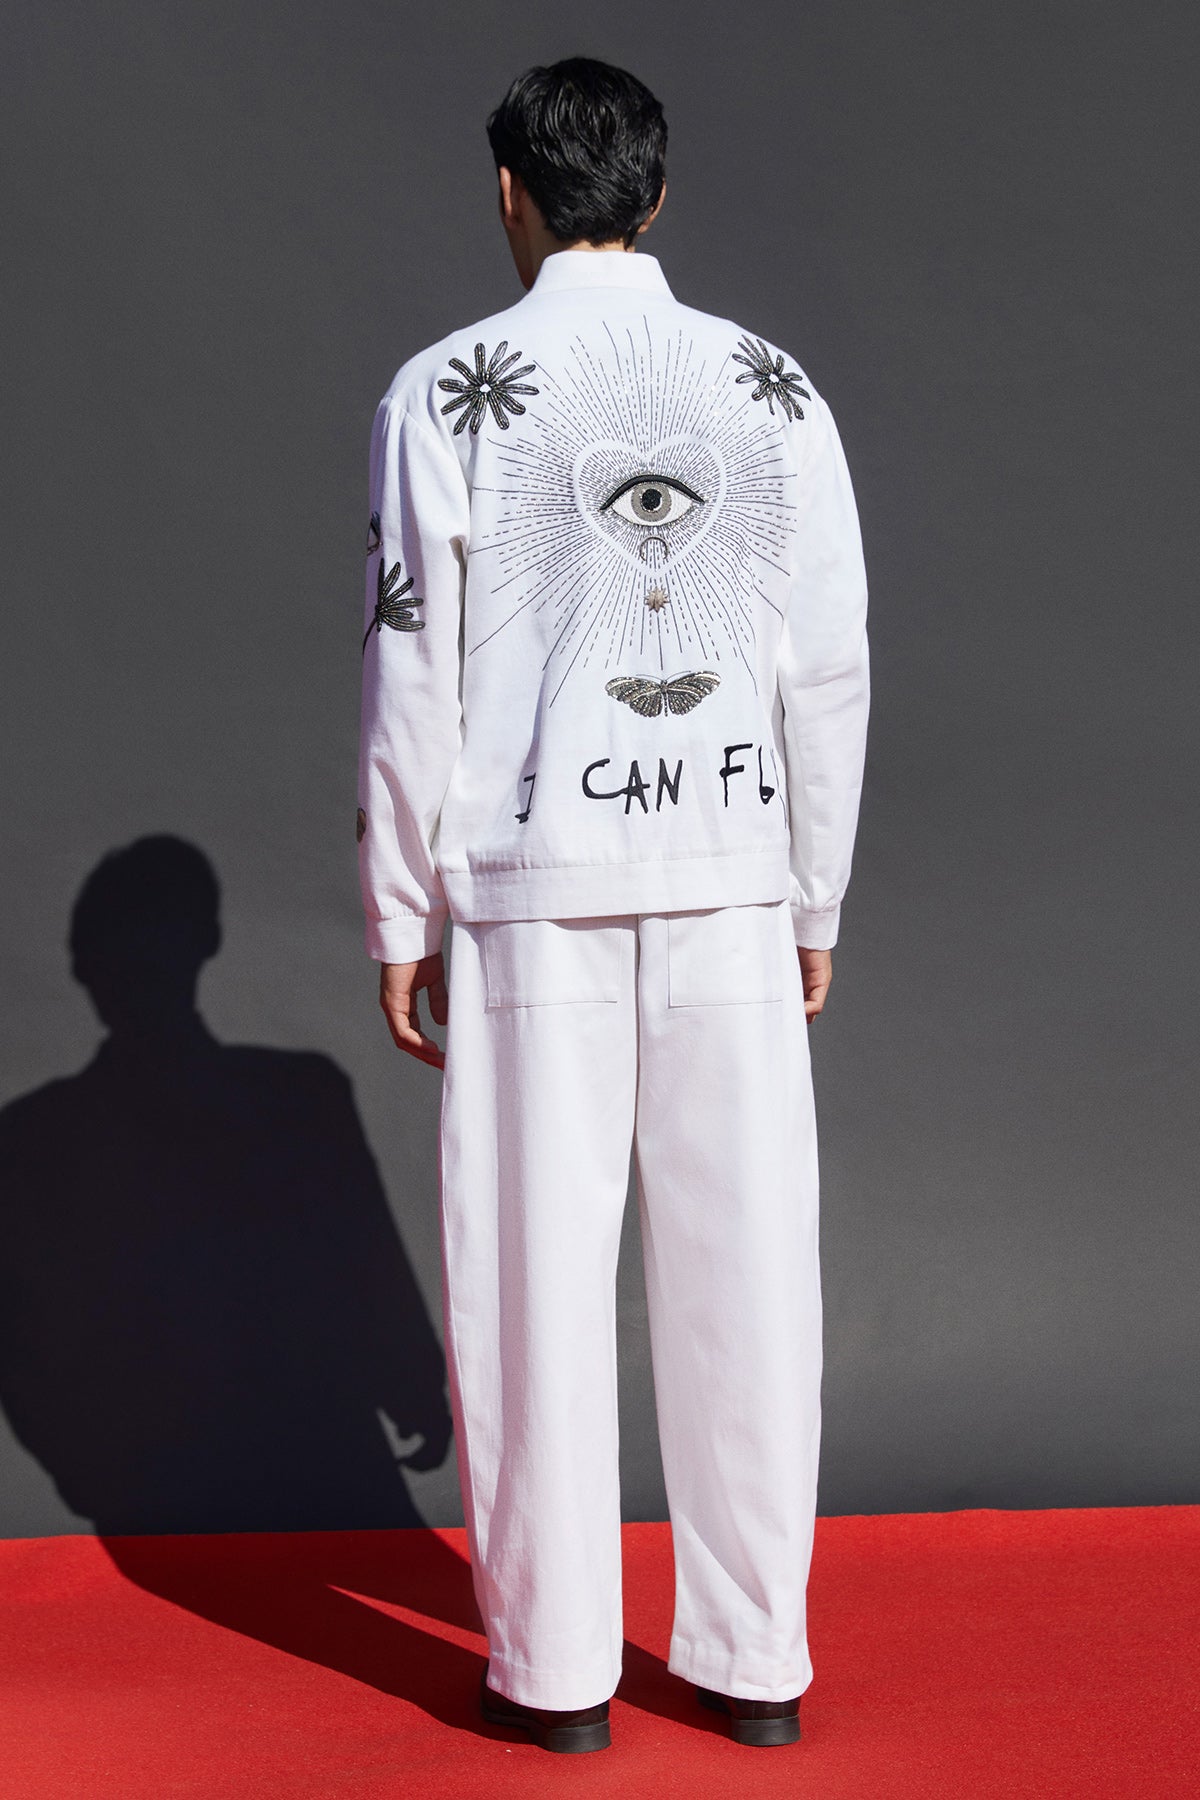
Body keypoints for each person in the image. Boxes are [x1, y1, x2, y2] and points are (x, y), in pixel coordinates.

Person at [356, 57, 869, 1754]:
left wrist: (401, 909)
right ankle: (755, 1663)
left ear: (509, 189)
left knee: (531, 1282)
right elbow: (828, 664)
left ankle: (557, 1673)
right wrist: (813, 891)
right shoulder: (772, 389)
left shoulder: (443, 394)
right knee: (751, 1276)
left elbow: (411, 670)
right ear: (654, 196)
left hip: (532, 894)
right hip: (728, 879)